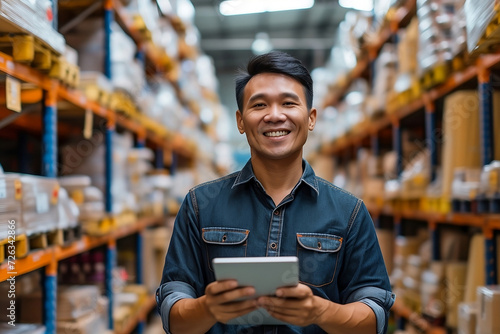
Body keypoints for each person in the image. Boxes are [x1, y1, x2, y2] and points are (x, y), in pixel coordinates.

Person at [156, 51, 395, 334]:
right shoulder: (199, 205)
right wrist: (207, 308)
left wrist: (320, 310)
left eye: (288, 103)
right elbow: (173, 314)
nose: (274, 115)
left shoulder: (349, 212)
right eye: (259, 105)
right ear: (240, 121)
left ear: (310, 118)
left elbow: (375, 317)